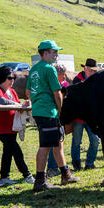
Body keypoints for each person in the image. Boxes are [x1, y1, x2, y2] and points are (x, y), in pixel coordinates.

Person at [26, 40, 79, 192]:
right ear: (46, 53)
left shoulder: (34, 69)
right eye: (54, 52)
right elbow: (57, 93)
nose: (57, 54)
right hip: (48, 111)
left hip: (39, 110)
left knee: (57, 143)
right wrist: (61, 111)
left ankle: (65, 174)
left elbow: (28, 91)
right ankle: (40, 180)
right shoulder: (49, 69)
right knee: (45, 146)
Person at [0, 66, 34, 187]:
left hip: (12, 127)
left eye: (13, 77)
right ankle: (27, 175)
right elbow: (2, 101)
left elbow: (18, 105)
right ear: (2, 77)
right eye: (9, 77)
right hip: (1, 128)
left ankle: (4, 177)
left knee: (8, 151)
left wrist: (23, 104)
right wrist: (18, 104)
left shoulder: (12, 91)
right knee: (16, 151)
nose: (12, 80)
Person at [70, 58, 100, 171]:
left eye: (94, 71)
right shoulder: (77, 80)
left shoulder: (96, 80)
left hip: (92, 117)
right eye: (91, 70)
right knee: (77, 141)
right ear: (85, 68)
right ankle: (76, 163)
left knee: (95, 140)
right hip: (79, 117)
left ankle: (90, 162)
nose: (93, 72)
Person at [46, 63, 71, 176]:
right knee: (54, 143)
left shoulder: (63, 84)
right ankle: (51, 168)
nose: (65, 77)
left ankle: (58, 167)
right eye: (62, 74)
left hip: (59, 117)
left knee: (58, 143)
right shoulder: (53, 86)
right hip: (54, 115)